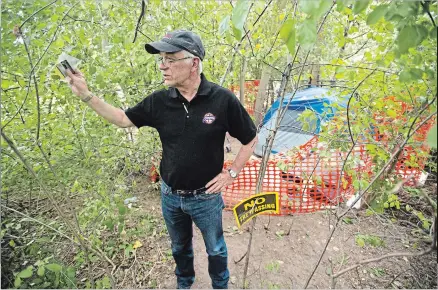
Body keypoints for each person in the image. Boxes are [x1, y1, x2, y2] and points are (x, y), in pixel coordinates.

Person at [66, 30, 257, 289]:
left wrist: (230, 174)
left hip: (206, 197)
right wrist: (87, 95)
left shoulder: (222, 100)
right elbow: (123, 119)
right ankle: (184, 282)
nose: (162, 66)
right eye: (161, 59)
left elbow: (249, 138)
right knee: (179, 247)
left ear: (194, 63)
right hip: (170, 195)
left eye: (170, 59)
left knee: (215, 248)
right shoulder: (159, 102)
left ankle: (220, 285)